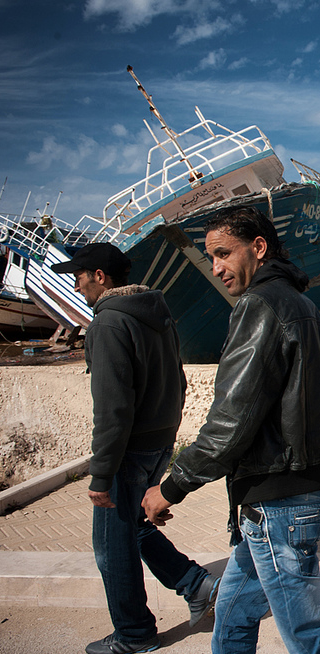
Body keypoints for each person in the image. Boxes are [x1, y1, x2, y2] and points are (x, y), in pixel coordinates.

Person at [141, 206, 320, 654]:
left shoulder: (260, 306)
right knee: (231, 616)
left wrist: (170, 487)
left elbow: (230, 423)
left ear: (259, 248)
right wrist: (317, 486)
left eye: (223, 254)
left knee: (309, 635)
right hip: (281, 502)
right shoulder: (306, 307)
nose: (216, 267)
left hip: (276, 505)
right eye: (211, 257)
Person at [53, 243, 219, 654]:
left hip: (128, 451)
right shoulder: (157, 315)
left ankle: (134, 633)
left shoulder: (108, 324)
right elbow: (178, 384)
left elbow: (112, 408)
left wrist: (102, 473)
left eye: (80, 274)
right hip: (158, 444)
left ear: (100, 276)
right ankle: (195, 584)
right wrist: (165, 438)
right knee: (134, 527)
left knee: (112, 546)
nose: (77, 283)